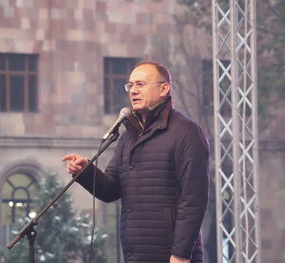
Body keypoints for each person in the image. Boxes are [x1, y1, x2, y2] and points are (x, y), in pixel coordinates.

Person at [62, 61, 210, 263]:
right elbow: (111, 190)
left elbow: (193, 200)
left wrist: (181, 253)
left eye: (140, 84)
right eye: (130, 85)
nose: (133, 91)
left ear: (164, 88)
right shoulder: (128, 137)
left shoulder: (186, 132)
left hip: (171, 256)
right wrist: (85, 172)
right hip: (136, 254)